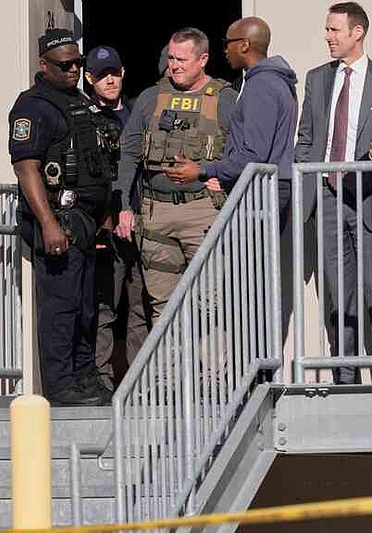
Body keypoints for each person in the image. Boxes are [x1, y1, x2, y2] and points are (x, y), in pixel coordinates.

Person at [295, 2, 372, 384]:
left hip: (369, 198)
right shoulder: (317, 78)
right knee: (337, 292)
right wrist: (306, 180)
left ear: (357, 32)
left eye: (334, 30)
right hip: (327, 197)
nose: (327, 37)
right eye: (327, 30)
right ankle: (344, 378)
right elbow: (306, 138)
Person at [8, 27, 119, 406]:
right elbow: (27, 169)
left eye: (78, 63)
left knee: (88, 306)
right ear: (44, 65)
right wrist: (49, 225)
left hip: (87, 221)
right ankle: (60, 386)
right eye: (65, 64)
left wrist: (103, 216)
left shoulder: (81, 102)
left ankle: (85, 377)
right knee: (61, 306)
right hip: (60, 219)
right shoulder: (34, 106)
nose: (73, 69)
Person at [114, 28, 238, 320]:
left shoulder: (226, 99)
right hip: (157, 213)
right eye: (171, 58)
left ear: (203, 59)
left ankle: (209, 369)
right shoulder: (150, 98)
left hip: (203, 211)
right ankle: (169, 369)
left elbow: (242, 155)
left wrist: (222, 179)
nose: (174, 65)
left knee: (211, 304)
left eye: (182, 59)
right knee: (163, 307)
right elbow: (128, 154)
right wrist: (123, 207)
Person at [162, 16, 297, 225]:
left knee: (250, 257)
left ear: (244, 45)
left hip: (260, 192)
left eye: (228, 43)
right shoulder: (271, 81)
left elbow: (254, 153)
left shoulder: (262, 84)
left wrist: (203, 171)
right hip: (265, 187)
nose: (225, 50)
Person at [84, 45, 151, 391]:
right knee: (105, 310)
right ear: (89, 78)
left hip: (144, 223)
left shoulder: (141, 111)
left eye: (113, 73)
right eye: (100, 75)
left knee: (143, 307)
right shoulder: (84, 117)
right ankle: (103, 384)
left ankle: (142, 385)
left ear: (123, 73)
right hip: (105, 228)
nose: (109, 80)